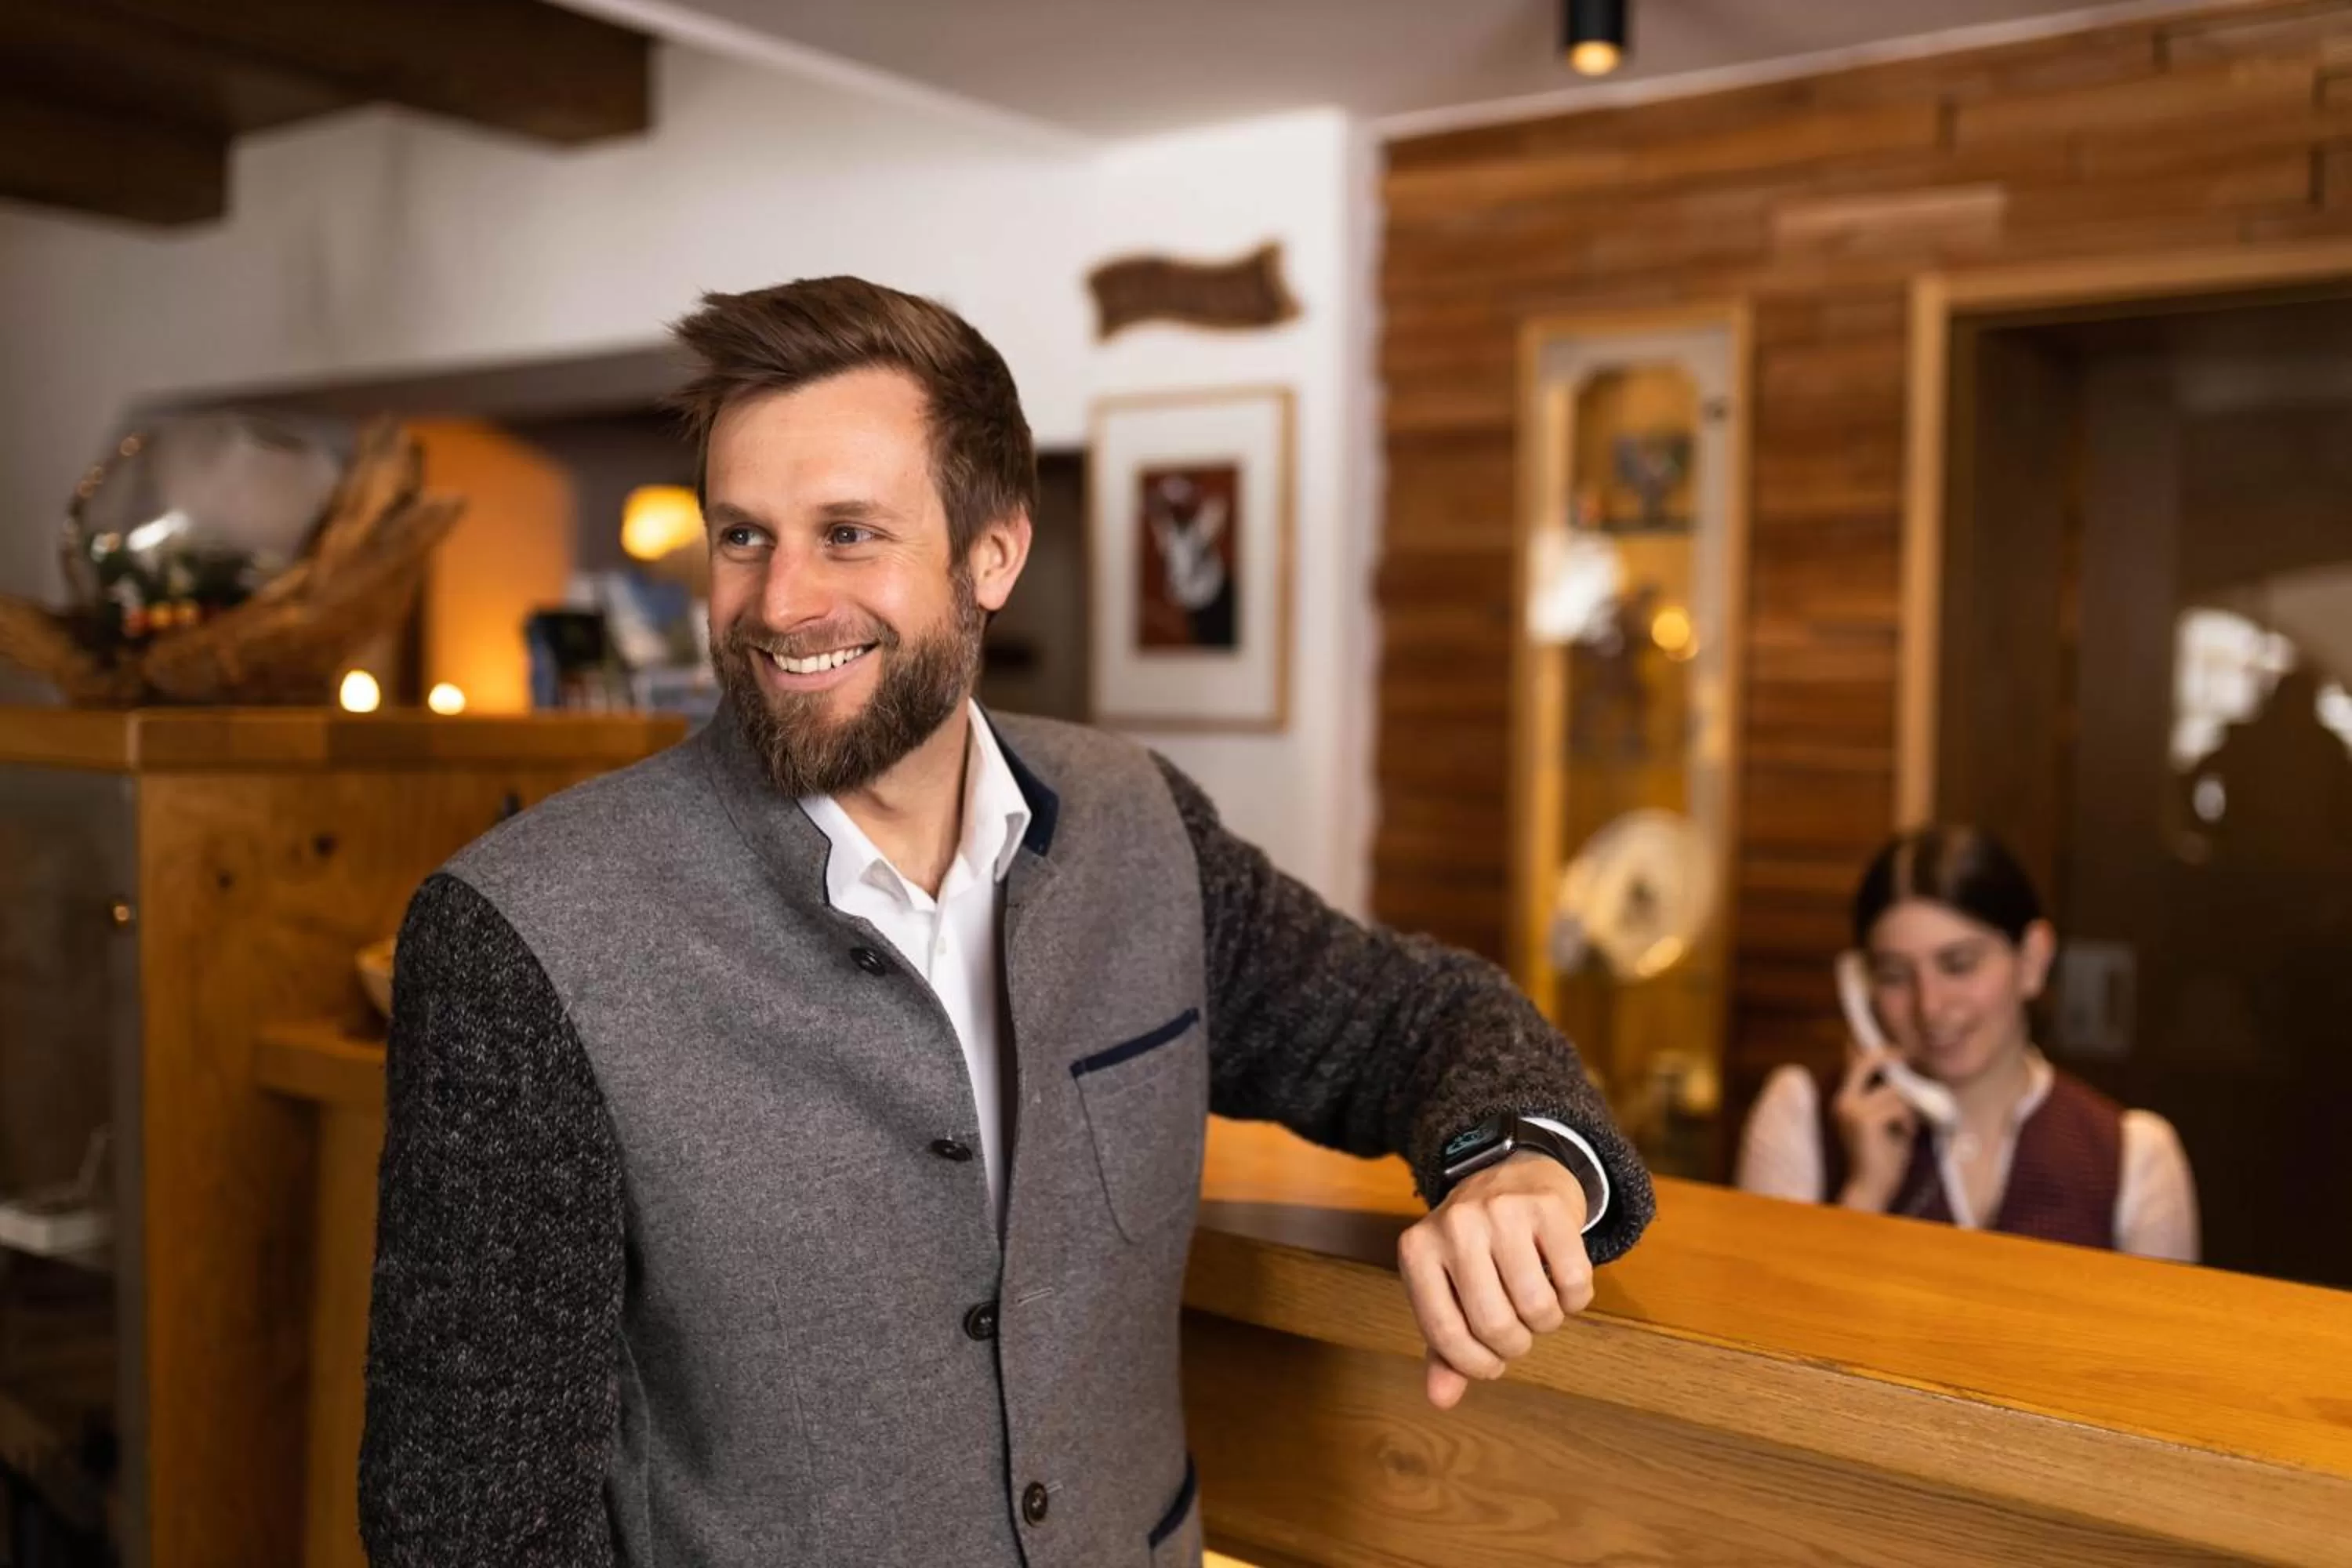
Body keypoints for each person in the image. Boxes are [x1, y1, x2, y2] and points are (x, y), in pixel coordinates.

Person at [358, 277, 1654, 1566]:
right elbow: (471, 1535)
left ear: (994, 554)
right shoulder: (521, 936)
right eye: (744, 536)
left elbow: (1411, 1022)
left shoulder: (1139, 823)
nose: (781, 602)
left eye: (849, 533)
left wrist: (1517, 1164)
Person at [1735, 826, 2197, 1261]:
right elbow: (1760, 1317)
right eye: (1894, 975)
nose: (1930, 1006)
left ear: (2032, 959)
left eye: (1959, 965)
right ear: (1862, 987)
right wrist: (1864, 1194)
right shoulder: (1799, 1115)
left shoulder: (2133, 1155)